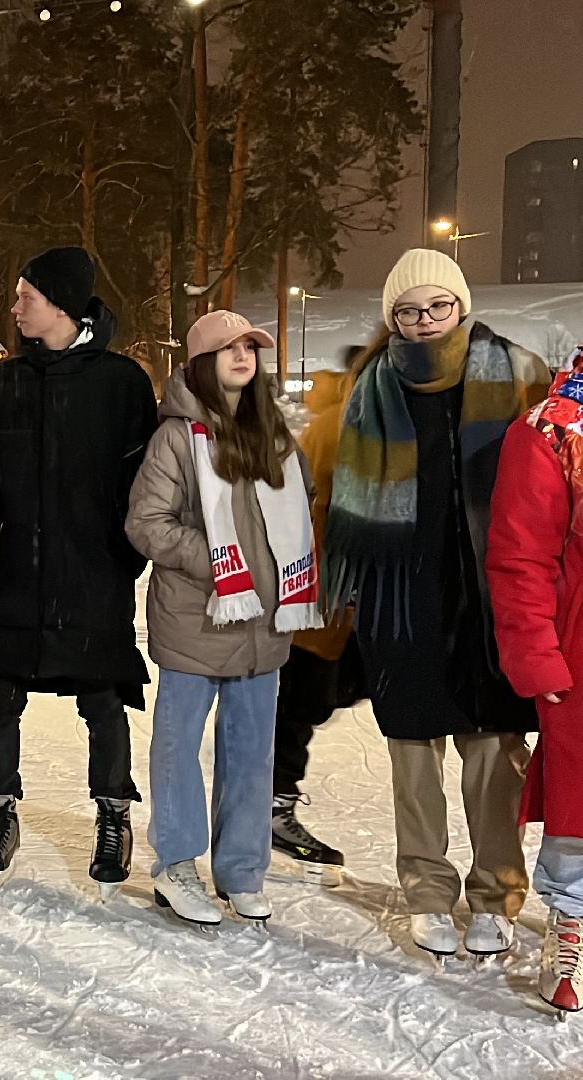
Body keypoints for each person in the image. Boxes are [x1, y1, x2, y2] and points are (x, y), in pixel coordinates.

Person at [323, 248, 546, 958]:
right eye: (407, 312)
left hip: (491, 593)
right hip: (402, 594)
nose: (423, 323)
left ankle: (494, 894)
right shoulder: (373, 386)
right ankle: (425, 888)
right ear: (393, 319)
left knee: (493, 751)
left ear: (461, 306)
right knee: (413, 754)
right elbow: (342, 488)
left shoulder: (517, 374)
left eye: (436, 307)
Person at [0, 246, 157, 898]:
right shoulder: (3, 382)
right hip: (14, 573)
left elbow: (144, 481)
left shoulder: (122, 384)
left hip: (92, 575)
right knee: (1, 698)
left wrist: (121, 557)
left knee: (103, 698)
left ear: (62, 305)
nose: (16, 307)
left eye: (27, 297)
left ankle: (113, 817)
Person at [127, 311, 319, 927]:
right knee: (180, 749)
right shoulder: (177, 438)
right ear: (203, 362)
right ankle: (177, 866)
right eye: (228, 348)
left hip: (265, 624)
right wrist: (217, 561)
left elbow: (301, 515)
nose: (242, 356)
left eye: (250, 347)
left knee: (252, 752)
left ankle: (241, 870)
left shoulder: (276, 436)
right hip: (198, 620)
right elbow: (146, 524)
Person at [487, 344, 583, 1015]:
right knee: (580, 799)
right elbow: (521, 555)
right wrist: (536, 654)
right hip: (580, 652)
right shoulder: (551, 429)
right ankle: (572, 919)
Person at [270, 358, 368, 885]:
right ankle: (271, 808)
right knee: (304, 700)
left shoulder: (345, 414)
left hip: (332, 598)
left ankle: (271, 802)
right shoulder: (346, 422)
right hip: (322, 595)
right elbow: (321, 510)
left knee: (315, 697)